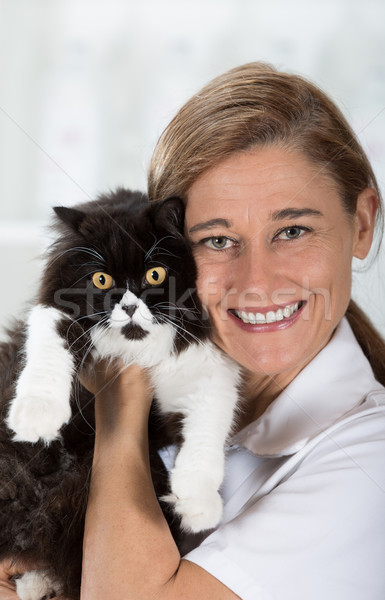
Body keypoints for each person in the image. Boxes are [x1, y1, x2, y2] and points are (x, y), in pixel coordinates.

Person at [2, 62, 385, 599]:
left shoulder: (373, 458)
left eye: (293, 230)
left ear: (362, 224)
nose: (257, 283)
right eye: (219, 240)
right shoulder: (173, 386)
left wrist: (120, 405)